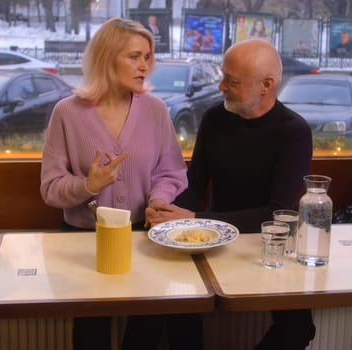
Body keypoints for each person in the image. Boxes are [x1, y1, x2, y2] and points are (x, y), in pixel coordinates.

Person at [146, 38, 316, 350]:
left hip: (270, 244)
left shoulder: (294, 132)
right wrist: (167, 213)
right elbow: (193, 184)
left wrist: (196, 219)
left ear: (266, 85)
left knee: (299, 328)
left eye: (231, 80)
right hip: (213, 239)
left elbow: (276, 213)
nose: (221, 86)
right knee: (176, 308)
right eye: (223, 76)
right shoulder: (214, 119)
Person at [40, 17, 188, 350]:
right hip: (84, 242)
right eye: (134, 57)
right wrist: (88, 185)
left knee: (147, 333)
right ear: (107, 58)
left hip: (144, 237)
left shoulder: (155, 110)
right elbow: (50, 189)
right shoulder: (67, 113)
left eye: (148, 57)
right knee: (91, 336)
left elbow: (171, 171)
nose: (145, 67)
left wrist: (158, 200)